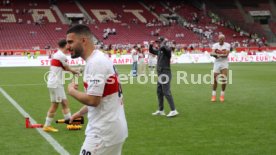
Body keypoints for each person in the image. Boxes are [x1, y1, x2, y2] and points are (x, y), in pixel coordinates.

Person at [66, 24, 128, 155]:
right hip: (112, 129)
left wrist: (72, 91)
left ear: (83, 40)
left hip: (103, 133)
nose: (67, 47)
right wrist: (79, 113)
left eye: (70, 42)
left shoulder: (96, 63)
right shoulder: (98, 58)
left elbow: (94, 100)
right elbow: (102, 97)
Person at [43, 39, 79, 132]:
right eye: (69, 44)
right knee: (56, 104)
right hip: (56, 84)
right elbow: (67, 68)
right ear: (66, 45)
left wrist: (75, 71)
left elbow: (65, 68)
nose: (70, 46)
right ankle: (47, 126)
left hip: (54, 83)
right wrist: (77, 71)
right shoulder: (62, 56)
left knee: (64, 103)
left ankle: (69, 124)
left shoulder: (57, 54)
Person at [149, 37, 178, 117]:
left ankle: (173, 110)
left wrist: (164, 43)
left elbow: (167, 49)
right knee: (159, 91)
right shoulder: (160, 50)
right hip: (160, 73)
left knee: (166, 92)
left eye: (159, 42)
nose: (157, 44)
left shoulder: (167, 50)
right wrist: (151, 45)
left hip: (165, 72)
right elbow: (151, 51)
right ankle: (161, 110)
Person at [210, 34, 231, 102]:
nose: (221, 40)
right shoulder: (215, 45)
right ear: (218, 39)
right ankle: (213, 95)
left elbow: (226, 54)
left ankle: (222, 95)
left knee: (224, 79)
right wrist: (217, 55)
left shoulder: (227, 45)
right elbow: (212, 53)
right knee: (215, 79)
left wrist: (217, 55)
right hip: (217, 63)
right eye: (220, 38)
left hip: (224, 63)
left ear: (224, 39)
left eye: (222, 39)